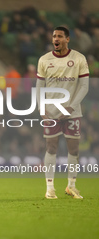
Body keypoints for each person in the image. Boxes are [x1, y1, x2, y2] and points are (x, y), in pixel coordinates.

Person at [36, 26, 89, 199]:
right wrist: (41, 106)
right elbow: (39, 86)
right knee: (51, 147)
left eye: (59, 36)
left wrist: (71, 107)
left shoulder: (79, 58)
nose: (55, 39)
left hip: (72, 112)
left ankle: (71, 186)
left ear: (67, 39)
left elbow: (84, 86)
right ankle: (50, 188)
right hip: (51, 112)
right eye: (54, 36)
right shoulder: (44, 60)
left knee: (73, 150)